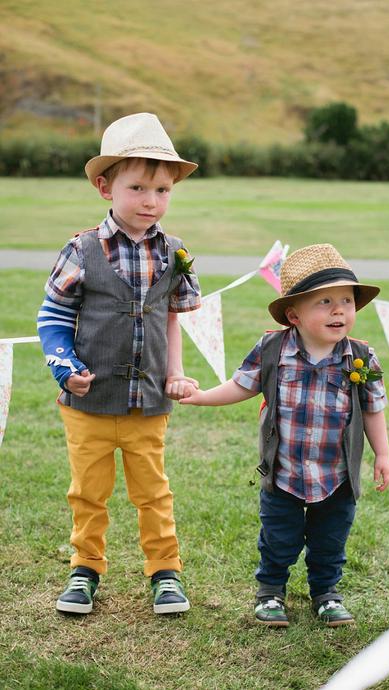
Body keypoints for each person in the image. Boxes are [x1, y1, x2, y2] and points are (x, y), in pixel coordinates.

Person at [37, 112, 201, 616]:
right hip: (88, 403)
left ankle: (165, 572)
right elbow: (53, 316)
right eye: (138, 188)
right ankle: (84, 569)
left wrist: (174, 371)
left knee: (153, 491)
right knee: (88, 492)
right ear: (106, 187)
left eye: (163, 190)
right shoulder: (82, 249)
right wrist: (64, 365)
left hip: (148, 402)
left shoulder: (174, 253)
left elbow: (172, 318)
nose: (152, 201)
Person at [180, 243, 389, 628]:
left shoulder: (361, 357)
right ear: (293, 314)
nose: (339, 310)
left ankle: (326, 593)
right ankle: (270, 592)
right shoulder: (272, 349)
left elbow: (374, 409)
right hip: (283, 472)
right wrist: (201, 398)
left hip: (337, 475)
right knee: (279, 539)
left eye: (346, 300)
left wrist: (383, 455)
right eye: (324, 302)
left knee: (330, 541)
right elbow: (241, 385)